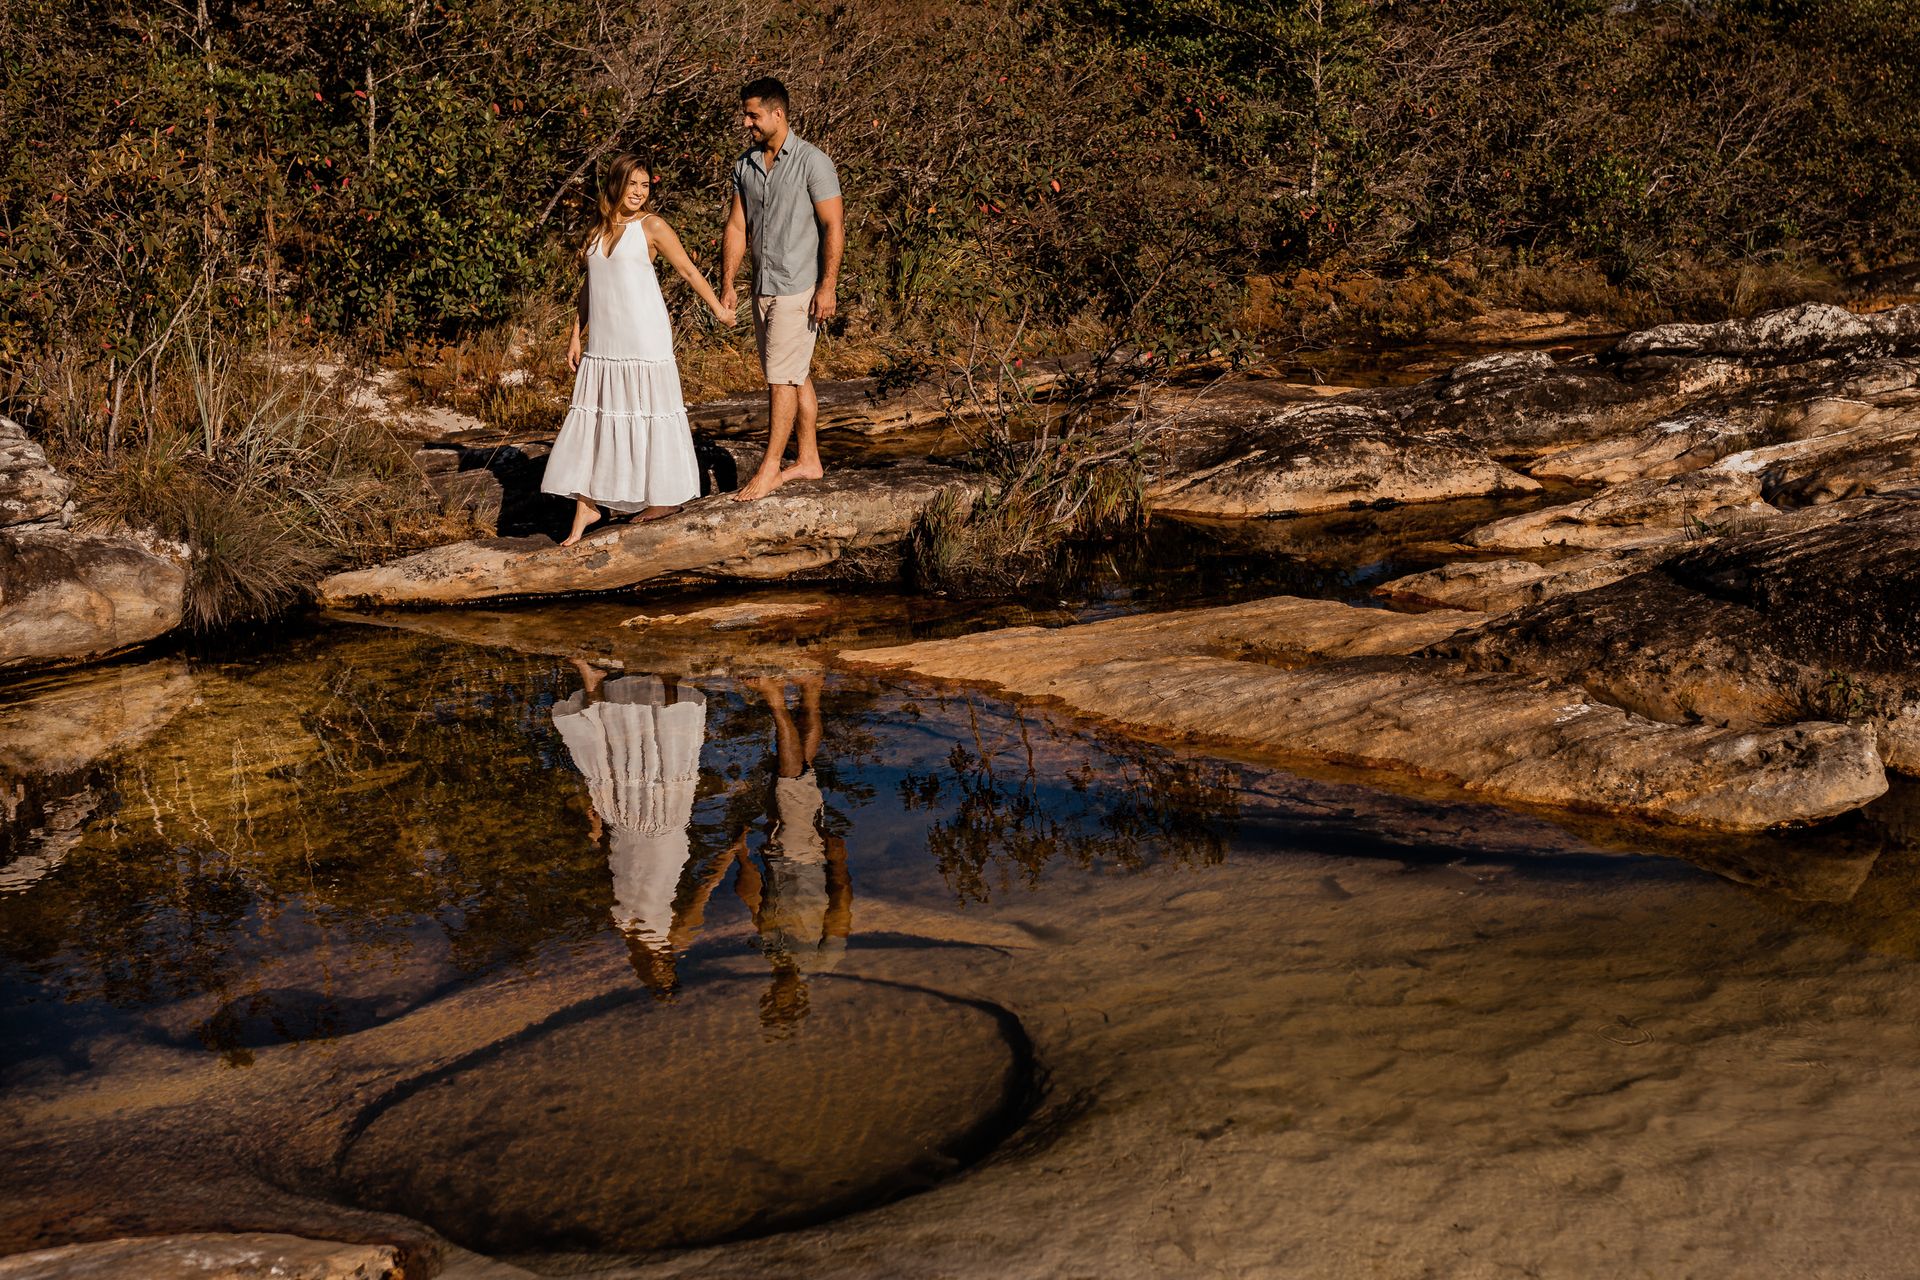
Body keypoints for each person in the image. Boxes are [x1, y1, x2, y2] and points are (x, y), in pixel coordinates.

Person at [543, 151, 736, 546]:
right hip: (606, 343)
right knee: (597, 419)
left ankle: (662, 498)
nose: (638, 191)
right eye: (632, 183)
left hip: (644, 338)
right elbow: (589, 287)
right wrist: (576, 334)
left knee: (647, 414)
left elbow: (686, 269)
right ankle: (588, 504)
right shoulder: (597, 229)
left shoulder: (652, 226)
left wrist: (718, 308)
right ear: (616, 183)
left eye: (645, 185)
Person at [550, 661, 718, 999]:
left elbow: (615, 878)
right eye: (668, 974)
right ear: (673, 965)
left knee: (609, 760)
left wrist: (598, 835)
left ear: (644, 973)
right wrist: (732, 852)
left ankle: (591, 679)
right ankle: (670, 680)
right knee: (666, 763)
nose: (662, 970)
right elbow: (702, 893)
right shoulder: (676, 938)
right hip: (664, 838)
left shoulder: (625, 931)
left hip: (623, 831)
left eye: (658, 978)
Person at [717, 78, 845, 503]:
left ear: (778, 114)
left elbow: (833, 226)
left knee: (779, 380)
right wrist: (729, 282)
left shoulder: (814, 162)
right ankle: (808, 459)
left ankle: (771, 467)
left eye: (753, 114)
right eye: (745, 114)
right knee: (795, 373)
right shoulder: (745, 165)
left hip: (797, 290)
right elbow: (737, 226)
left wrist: (827, 288)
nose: (746, 122)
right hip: (762, 287)